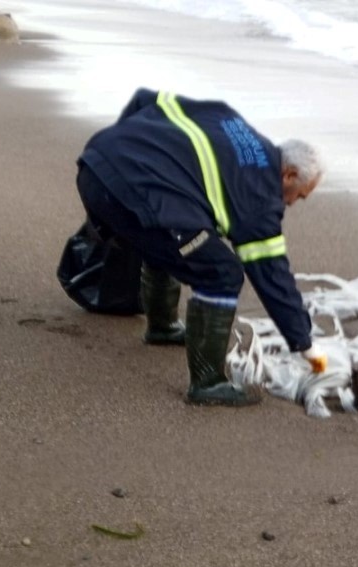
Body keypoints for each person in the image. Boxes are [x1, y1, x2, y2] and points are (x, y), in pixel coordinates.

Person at [76, 88, 327, 406]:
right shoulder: (261, 196)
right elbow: (272, 276)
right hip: (133, 196)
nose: (292, 203)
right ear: (288, 174)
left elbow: (146, 99)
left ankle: (163, 326)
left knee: (177, 234)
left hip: (96, 164)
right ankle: (208, 383)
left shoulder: (229, 119)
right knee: (221, 271)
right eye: (299, 194)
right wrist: (305, 344)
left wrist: (124, 151)